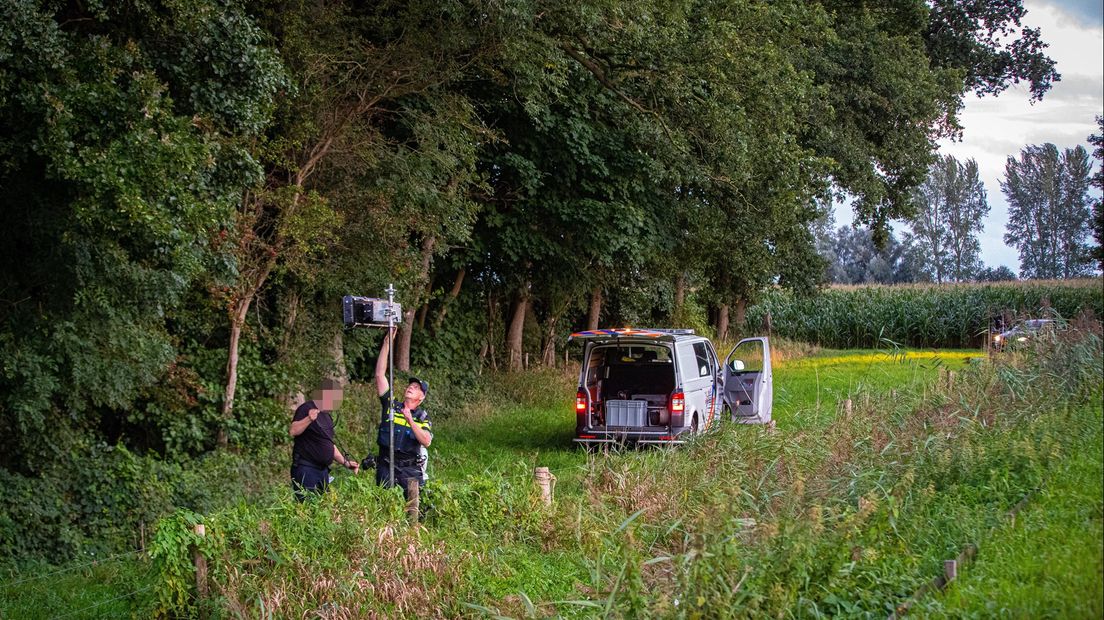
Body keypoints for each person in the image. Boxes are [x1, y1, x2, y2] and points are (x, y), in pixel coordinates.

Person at [374, 328, 433, 510]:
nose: (410, 387)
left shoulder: (422, 417)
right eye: (410, 385)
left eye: (415, 387)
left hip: (409, 470)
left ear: (421, 397)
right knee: (384, 510)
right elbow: (380, 374)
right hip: (386, 466)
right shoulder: (391, 405)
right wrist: (386, 344)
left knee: (413, 511)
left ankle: (411, 537)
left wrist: (411, 421)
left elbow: (426, 441)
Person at [289, 378, 359, 501]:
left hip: (322, 472)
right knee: (306, 509)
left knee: (323, 508)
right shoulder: (306, 408)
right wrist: (309, 419)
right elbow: (293, 431)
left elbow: (329, 444)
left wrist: (345, 462)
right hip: (306, 469)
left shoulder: (327, 416)